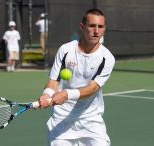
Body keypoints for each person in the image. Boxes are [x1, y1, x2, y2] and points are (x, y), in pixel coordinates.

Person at [37, 9, 115, 146]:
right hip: (61, 121)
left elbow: (92, 88)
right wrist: (46, 94)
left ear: (104, 29)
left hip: (91, 121)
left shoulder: (107, 58)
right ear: (82, 27)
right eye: (92, 26)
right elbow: (54, 80)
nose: (96, 31)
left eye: (100, 27)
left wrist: (67, 94)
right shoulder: (66, 50)